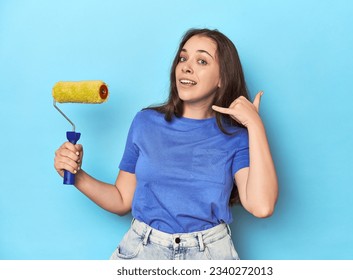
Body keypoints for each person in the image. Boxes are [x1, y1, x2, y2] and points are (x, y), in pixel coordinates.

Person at [54, 28, 278, 260]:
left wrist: (254, 125)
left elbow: (262, 206)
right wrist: (76, 175)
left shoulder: (235, 136)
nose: (186, 66)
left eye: (202, 60)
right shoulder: (145, 122)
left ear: (222, 78)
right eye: (183, 58)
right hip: (143, 251)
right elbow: (121, 199)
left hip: (209, 254)